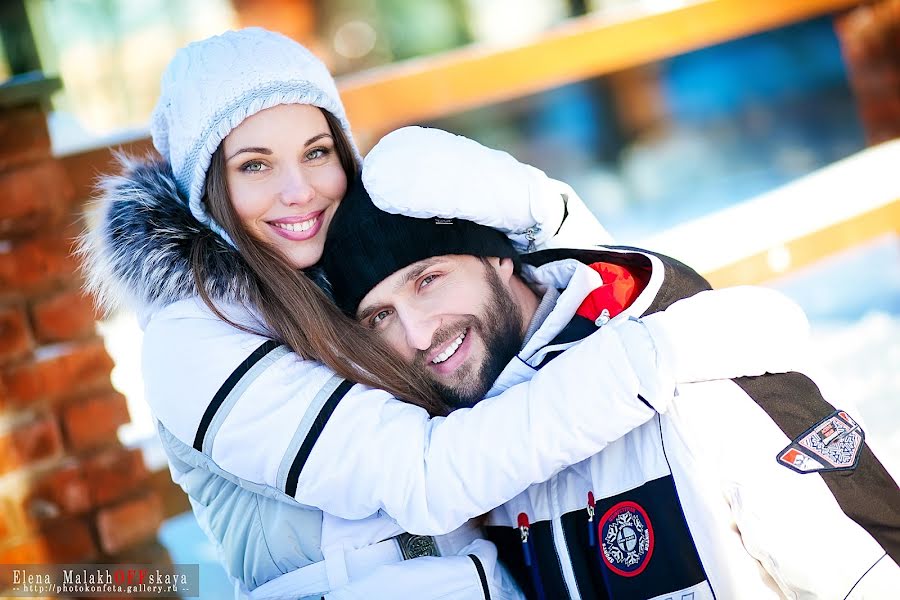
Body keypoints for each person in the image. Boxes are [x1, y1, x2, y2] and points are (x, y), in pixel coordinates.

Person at [81, 28, 819, 599]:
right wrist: (664, 356)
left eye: (315, 151)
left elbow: (539, 330)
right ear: (206, 185)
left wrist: (538, 212)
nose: (298, 191)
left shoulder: (339, 279)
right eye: (254, 165)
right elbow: (427, 476)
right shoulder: (192, 340)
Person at [319, 139, 900, 599]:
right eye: (380, 318)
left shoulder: (694, 382)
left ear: (496, 256)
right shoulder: (454, 469)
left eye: (428, 281)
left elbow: (873, 577)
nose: (417, 334)